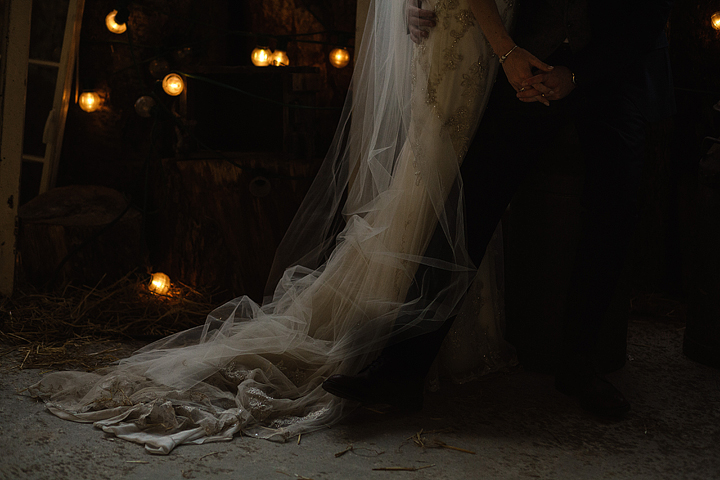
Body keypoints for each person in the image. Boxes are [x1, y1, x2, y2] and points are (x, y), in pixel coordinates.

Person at [28, 0, 518, 454]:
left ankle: (433, 335)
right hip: (467, 29)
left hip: (472, 28)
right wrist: (501, 44)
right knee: (435, 172)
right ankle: (395, 334)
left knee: (449, 176)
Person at [322, 0, 675, 418]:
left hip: (611, 76)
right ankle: (401, 370)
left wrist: (577, 74)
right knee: (471, 201)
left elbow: (648, 19)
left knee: (614, 209)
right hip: (528, 58)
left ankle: (580, 367)